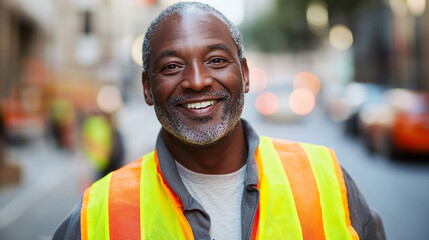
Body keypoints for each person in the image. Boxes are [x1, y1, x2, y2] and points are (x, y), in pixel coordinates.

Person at [53, 2, 385, 239]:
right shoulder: (97, 214)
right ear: (147, 88)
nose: (197, 81)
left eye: (215, 60)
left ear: (244, 74)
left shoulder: (326, 179)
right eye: (171, 66)